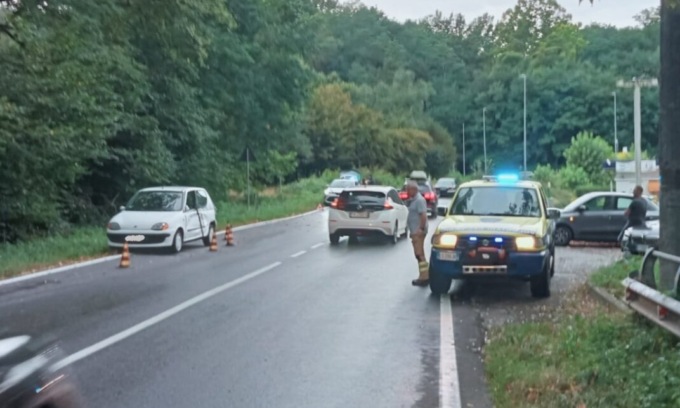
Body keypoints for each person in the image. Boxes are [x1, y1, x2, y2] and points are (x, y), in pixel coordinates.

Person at [406, 181, 429, 286]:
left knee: (419, 254)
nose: (407, 191)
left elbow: (423, 215)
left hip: (418, 232)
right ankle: (425, 274)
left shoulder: (419, 200)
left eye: (408, 189)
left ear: (414, 190)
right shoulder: (414, 200)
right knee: (419, 254)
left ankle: (424, 277)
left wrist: (420, 228)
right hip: (415, 231)